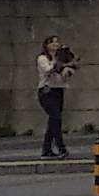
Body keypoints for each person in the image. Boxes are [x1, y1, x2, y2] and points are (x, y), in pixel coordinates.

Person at [34, 33, 77, 161]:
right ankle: (61, 148)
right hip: (47, 91)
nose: (55, 45)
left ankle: (46, 150)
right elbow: (47, 70)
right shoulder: (42, 58)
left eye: (57, 42)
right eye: (52, 43)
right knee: (55, 118)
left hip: (59, 91)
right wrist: (58, 63)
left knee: (53, 121)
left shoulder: (61, 58)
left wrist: (68, 66)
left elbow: (67, 73)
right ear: (47, 45)